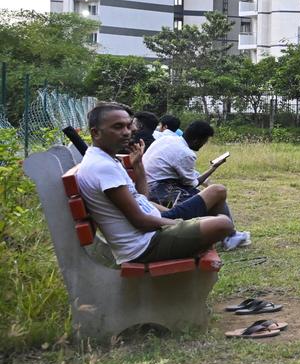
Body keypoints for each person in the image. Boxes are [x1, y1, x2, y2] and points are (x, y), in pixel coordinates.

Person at [75, 102, 234, 265]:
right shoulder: (103, 167)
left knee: (216, 191)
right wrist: (180, 223)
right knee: (223, 223)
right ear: (96, 133)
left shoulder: (107, 158)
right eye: (117, 127)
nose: (127, 132)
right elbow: (140, 222)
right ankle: (221, 238)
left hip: (154, 223)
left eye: (128, 126)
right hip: (145, 245)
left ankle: (221, 237)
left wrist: (138, 165)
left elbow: (142, 197)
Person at [144, 120, 250, 249]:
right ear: (196, 140)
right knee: (213, 195)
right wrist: (213, 168)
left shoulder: (169, 139)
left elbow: (188, 174)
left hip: (148, 187)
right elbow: (193, 183)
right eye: (204, 142)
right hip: (162, 192)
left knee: (207, 194)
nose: (203, 145)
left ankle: (230, 234)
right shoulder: (186, 153)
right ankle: (229, 235)